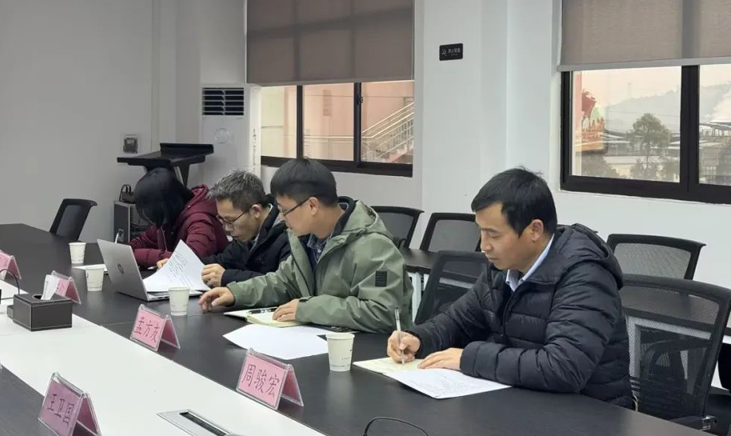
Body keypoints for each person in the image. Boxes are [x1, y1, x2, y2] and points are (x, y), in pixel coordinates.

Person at [387, 168, 633, 408]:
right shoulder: (502, 268)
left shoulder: (585, 276)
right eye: (481, 232)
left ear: (534, 230)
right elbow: (459, 321)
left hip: (589, 416)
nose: (484, 245)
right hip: (524, 403)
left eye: (494, 235)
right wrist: (419, 338)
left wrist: (468, 358)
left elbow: (563, 368)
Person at [199, 159, 412, 333]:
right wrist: (236, 293)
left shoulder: (373, 247)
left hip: (368, 354)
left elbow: (382, 313)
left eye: (285, 211)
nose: (282, 218)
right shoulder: (308, 239)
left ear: (312, 205)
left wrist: (309, 308)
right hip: (322, 342)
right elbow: (283, 282)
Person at [200, 170, 290, 287]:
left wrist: (226, 277)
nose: (227, 228)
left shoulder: (288, 235)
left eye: (230, 220)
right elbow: (223, 261)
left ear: (255, 211)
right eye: (222, 220)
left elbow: (281, 285)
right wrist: (189, 266)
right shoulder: (245, 237)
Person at [129, 168, 227, 268]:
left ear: (165, 205)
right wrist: (127, 250)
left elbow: (188, 261)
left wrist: (135, 254)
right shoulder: (170, 216)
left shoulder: (199, 221)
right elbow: (144, 240)